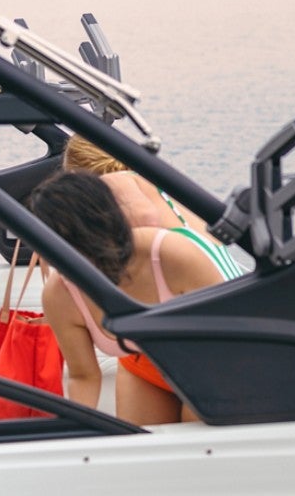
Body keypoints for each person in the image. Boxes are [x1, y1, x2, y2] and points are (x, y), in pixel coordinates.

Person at [29, 170, 225, 424]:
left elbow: (228, 338)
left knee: (194, 448)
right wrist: (72, 434)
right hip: (143, 368)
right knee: (142, 454)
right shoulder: (60, 295)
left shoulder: (171, 255)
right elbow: (83, 376)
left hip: (213, 365)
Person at [62, 134, 244, 280]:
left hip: (203, 292)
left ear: (76, 173)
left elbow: (146, 220)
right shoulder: (155, 184)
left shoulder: (115, 182)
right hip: (227, 281)